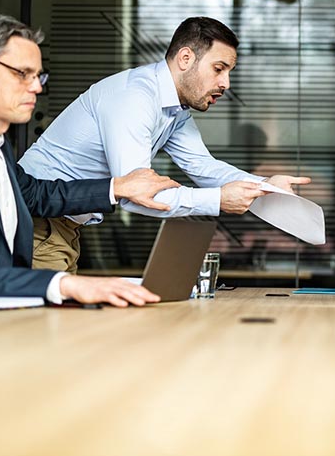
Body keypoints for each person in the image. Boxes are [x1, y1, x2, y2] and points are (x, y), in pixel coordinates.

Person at [0, 15, 181, 315]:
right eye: (22, 74)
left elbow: (36, 194)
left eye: (39, 76)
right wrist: (63, 284)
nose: (36, 87)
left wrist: (116, 187)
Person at [19, 16, 309, 272]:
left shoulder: (174, 109)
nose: (226, 83)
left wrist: (265, 185)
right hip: (40, 219)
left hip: (62, 225)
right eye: (219, 69)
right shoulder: (135, 98)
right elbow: (138, 196)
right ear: (185, 58)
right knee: (46, 326)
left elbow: (202, 165)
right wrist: (218, 200)